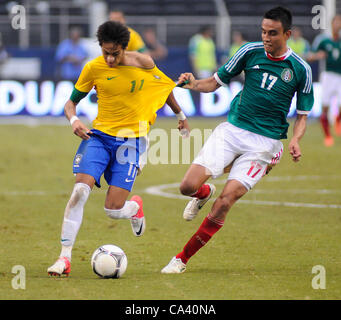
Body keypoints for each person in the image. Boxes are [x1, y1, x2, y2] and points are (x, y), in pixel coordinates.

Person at [161, 7, 314, 274]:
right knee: (187, 186)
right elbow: (215, 82)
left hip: (264, 145)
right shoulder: (249, 51)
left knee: (224, 203)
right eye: (264, 31)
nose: (266, 37)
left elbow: (302, 116)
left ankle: (181, 259)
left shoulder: (300, 69)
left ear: (287, 34)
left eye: (273, 33)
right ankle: (202, 193)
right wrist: (193, 84)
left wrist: (296, 140)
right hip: (232, 131)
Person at [47, 21, 190, 276]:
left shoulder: (144, 62)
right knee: (80, 190)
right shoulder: (93, 67)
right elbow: (70, 103)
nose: (110, 58)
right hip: (99, 136)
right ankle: (64, 258)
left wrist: (180, 115)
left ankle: (134, 208)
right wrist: (74, 120)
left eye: (115, 52)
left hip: (132, 140)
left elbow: (163, 87)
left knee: (113, 210)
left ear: (124, 47)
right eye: (106, 53)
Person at [306, 15, 341, 147]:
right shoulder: (323, 40)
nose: (338, 25)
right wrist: (317, 56)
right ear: (332, 24)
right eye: (336, 22)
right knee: (325, 107)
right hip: (328, 76)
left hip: (340, 76)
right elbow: (310, 56)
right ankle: (327, 136)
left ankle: (338, 120)